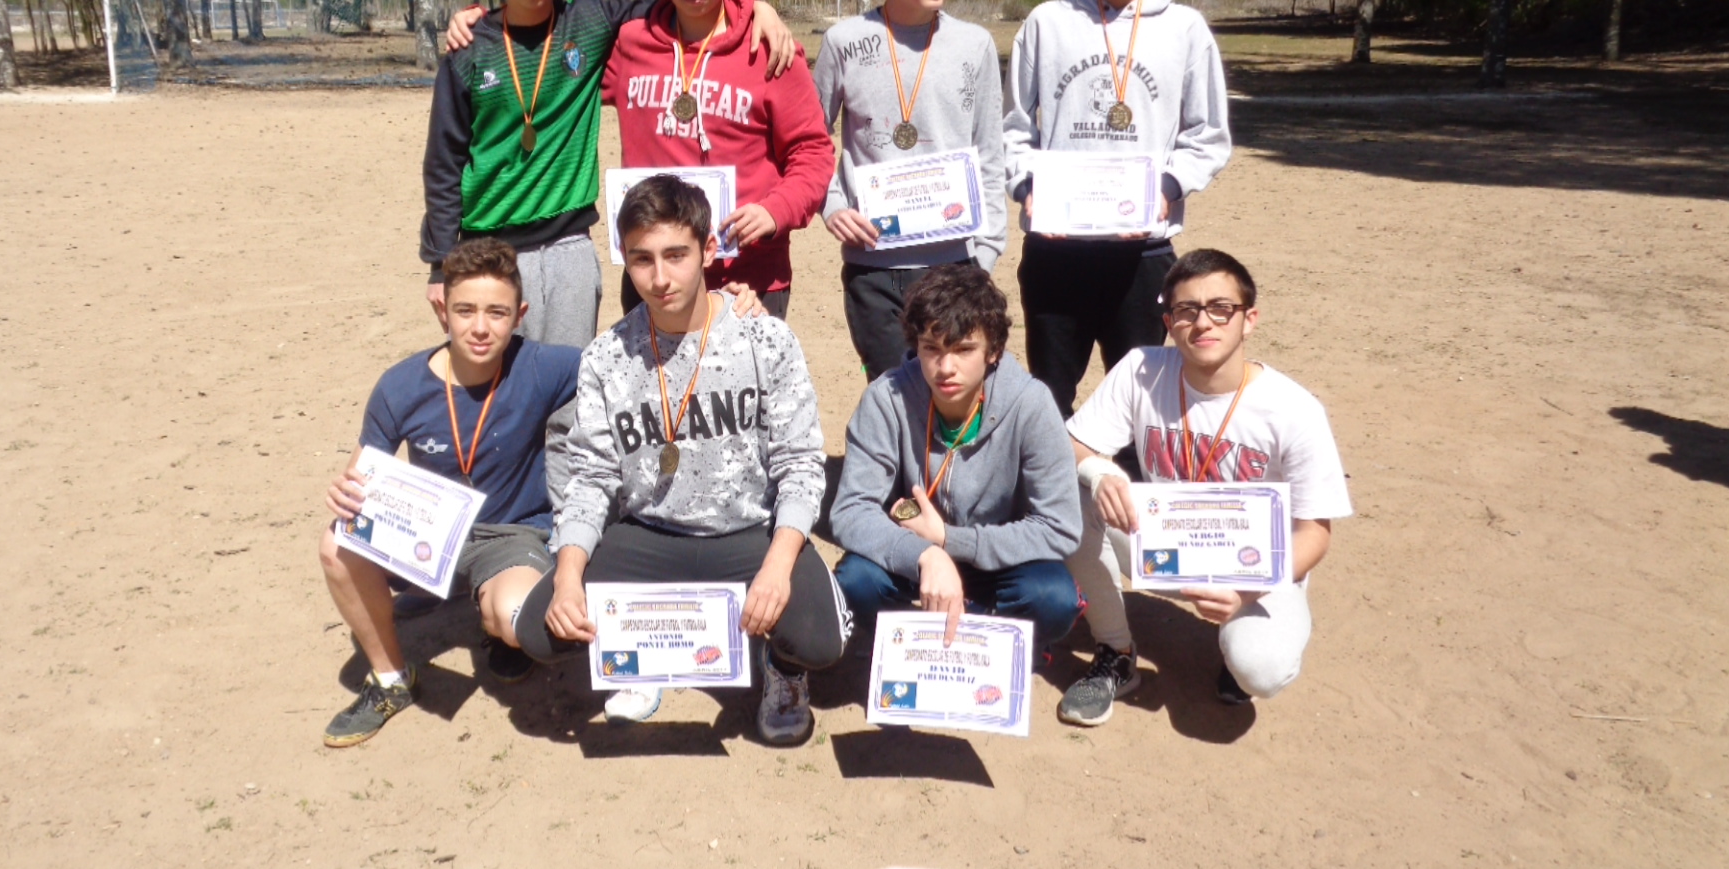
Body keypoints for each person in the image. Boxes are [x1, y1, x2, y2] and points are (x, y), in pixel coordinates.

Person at [513, 175, 847, 745]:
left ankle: (781, 670)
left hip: (746, 531)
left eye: (676, 255)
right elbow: (590, 478)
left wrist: (778, 564)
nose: (660, 278)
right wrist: (569, 575)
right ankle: (644, 652)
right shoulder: (605, 357)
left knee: (820, 640)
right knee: (539, 631)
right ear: (623, 258)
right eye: (642, 259)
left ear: (708, 251)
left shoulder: (764, 339)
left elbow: (800, 465)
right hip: (649, 533)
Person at [422, 0, 795, 346]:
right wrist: (441, 262)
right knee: (491, 385)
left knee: (565, 394)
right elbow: (443, 163)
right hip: (485, 246)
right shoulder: (468, 48)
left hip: (569, 247)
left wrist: (751, 2)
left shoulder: (592, 23)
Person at [1058, 249, 1352, 726]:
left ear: (1248, 319)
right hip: (1165, 543)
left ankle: (1244, 646)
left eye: (1221, 308)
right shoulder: (1142, 369)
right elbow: (1070, 443)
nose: (1203, 323)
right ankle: (1116, 651)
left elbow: (1315, 533)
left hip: (1254, 565)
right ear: (1169, 322)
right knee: (1071, 496)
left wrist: (1246, 591)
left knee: (1261, 667)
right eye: (1187, 311)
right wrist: (1099, 471)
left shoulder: (1293, 409)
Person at [317, 239, 580, 748]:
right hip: (427, 532)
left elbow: (633, 355)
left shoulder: (544, 366)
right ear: (443, 310)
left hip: (510, 534)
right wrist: (347, 494)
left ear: (519, 314)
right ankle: (392, 679)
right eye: (465, 310)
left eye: (497, 312)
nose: (481, 327)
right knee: (336, 543)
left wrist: (731, 304)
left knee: (518, 619)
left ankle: (496, 622)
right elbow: (361, 476)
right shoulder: (401, 385)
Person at [1002, 0, 1233, 417]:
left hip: (1143, 251)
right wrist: (1027, 185)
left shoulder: (1185, 30)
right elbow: (1013, 128)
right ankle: (1050, 501)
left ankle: (1134, 499)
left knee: (1143, 400)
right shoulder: (1047, 23)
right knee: (1048, 397)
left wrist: (1169, 186)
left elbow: (1208, 134)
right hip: (1058, 250)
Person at [827, 264, 1082, 666]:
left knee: (1054, 599)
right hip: (915, 555)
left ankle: (990, 643)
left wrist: (950, 540)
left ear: (993, 350)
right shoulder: (886, 398)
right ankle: (912, 648)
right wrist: (927, 554)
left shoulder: (1031, 404)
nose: (945, 368)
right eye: (931, 348)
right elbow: (850, 511)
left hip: (999, 557)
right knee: (855, 581)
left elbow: (1060, 527)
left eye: (964, 349)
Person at [602, 0, 835, 321]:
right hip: (655, 279)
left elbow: (813, 153)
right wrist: (476, 26)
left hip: (748, 280)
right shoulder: (631, 44)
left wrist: (774, 210)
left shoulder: (770, 49)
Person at [816, 0, 1006, 380]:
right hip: (873, 269)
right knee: (891, 395)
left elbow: (989, 151)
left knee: (952, 394)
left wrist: (983, 253)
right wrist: (833, 205)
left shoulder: (975, 45)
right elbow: (811, 143)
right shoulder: (843, 43)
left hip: (953, 264)